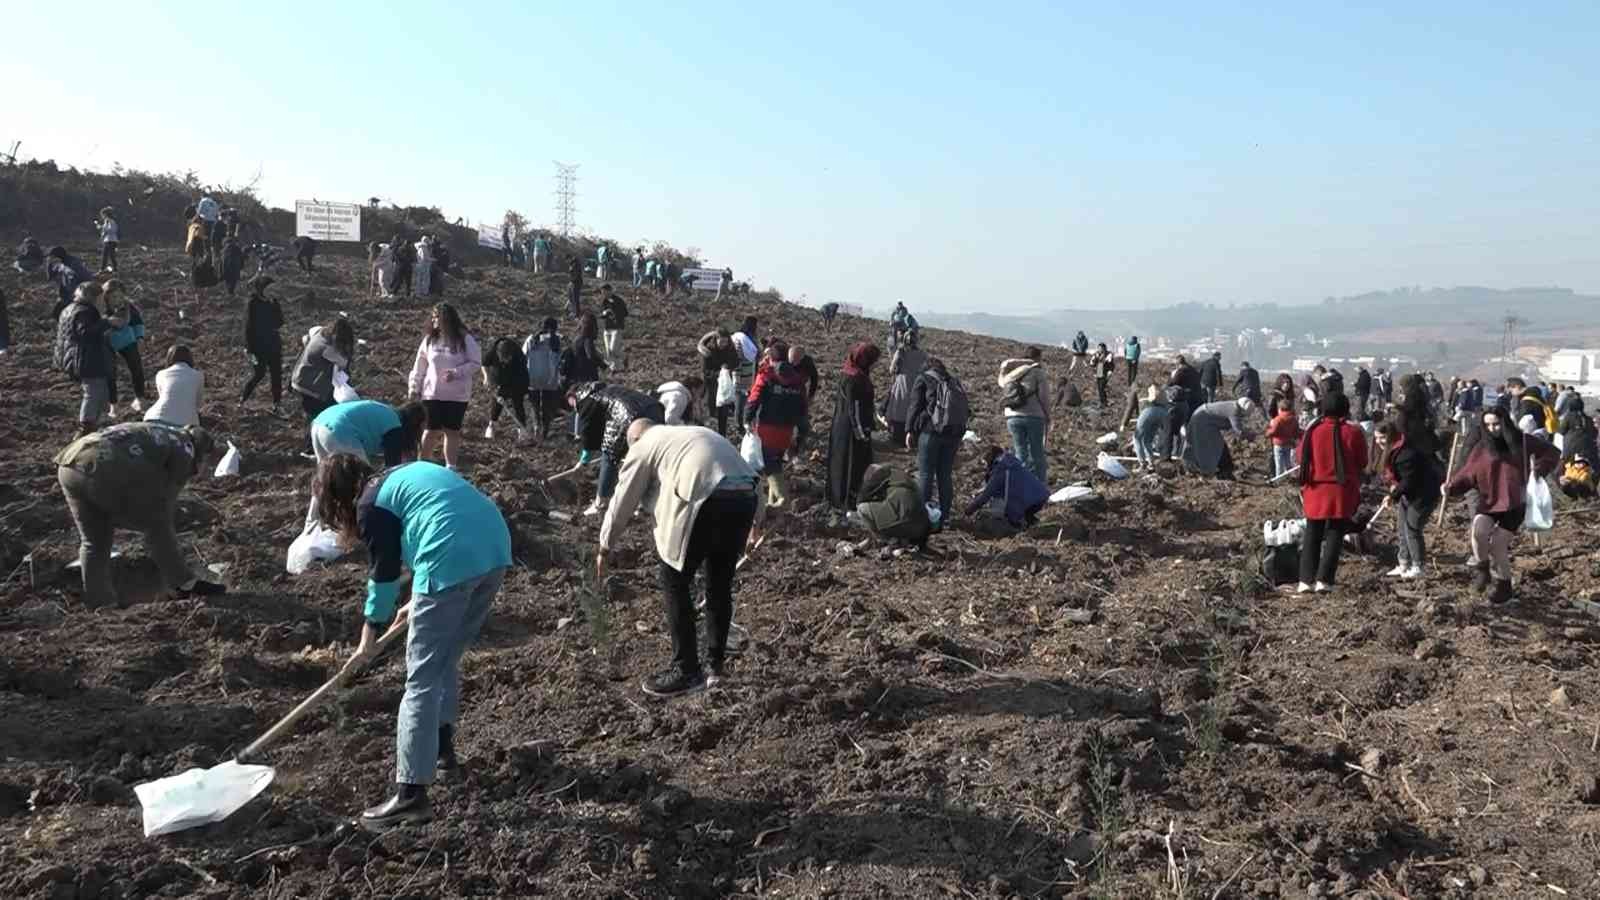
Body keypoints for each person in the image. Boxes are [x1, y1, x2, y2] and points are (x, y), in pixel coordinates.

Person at [313, 454, 510, 828]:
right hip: (493, 547)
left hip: (450, 555)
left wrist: (369, 634)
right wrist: (417, 599)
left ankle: (410, 795)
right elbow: (435, 518)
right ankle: (443, 756)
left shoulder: (370, 503)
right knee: (445, 660)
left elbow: (384, 574)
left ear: (339, 497)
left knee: (420, 681)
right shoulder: (401, 474)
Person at [598, 420, 762, 696]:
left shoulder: (643, 445)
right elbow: (742, 470)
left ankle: (686, 670)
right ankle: (715, 667)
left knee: (674, 580)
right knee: (719, 584)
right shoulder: (690, 434)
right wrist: (758, 521)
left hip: (705, 498)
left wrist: (604, 545)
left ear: (634, 439)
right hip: (745, 496)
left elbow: (623, 497)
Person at [56, 422, 226, 607]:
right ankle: (184, 584)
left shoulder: (161, 431)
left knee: (94, 541)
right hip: (104, 465)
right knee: (158, 524)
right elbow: (164, 503)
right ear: (202, 454)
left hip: (70, 464)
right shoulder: (185, 448)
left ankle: (100, 602)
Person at [1443, 408, 1560, 603]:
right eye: (1488, 425)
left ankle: (1504, 587)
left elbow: (1552, 452)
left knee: (1498, 545)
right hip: (1490, 499)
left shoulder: (1523, 442)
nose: (1492, 429)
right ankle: (1482, 570)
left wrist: (1538, 470)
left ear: (1505, 422)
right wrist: (1452, 486)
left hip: (1515, 502)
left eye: (1496, 424)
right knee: (1478, 532)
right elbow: (1468, 473)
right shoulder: (1482, 448)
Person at [304, 400, 427, 533]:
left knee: (324, 478)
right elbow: (391, 468)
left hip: (320, 424)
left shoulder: (386, 414)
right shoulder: (394, 426)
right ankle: (357, 526)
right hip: (339, 429)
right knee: (359, 483)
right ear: (415, 424)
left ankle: (310, 524)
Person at [1296, 392, 1368, 594]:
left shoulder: (1312, 431)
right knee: (1335, 534)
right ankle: (1324, 581)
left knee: (1312, 534)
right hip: (1341, 490)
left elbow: (1300, 457)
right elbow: (1362, 461)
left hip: (1314, 489)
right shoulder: (1353, 432)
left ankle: (1305, 581)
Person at [568, 383, 665, 516]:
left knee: (610, 455)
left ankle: (601, 504)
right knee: (650, 458)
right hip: (655, 409)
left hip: (628, 415)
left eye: (571, 404)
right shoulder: (609, 390)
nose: (574, 409)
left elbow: (589, 436)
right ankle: (647, 503)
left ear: (574, 396)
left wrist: (583, 462)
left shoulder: (586, 400)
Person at [408, 304, 482, 469]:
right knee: (431, 430)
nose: (434, 320)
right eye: (433, 317)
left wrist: (456, 372)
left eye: (437, 317)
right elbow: (420, 365)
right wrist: (414, 387)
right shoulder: (429, 340)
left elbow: (476, 362)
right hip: (432, 394)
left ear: (447, 319)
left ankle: (451, 468)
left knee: (452, 431)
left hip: (457, 396)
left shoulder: (464, 339)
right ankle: (421, 466)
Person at [1372, 421, 1442, 581]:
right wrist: (1393, 491)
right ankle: (1403, 563)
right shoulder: (1392, 450)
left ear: (1391, 436)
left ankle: (1418, 566)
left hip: (1424, 494)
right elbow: (1398, 478)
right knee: (1401, 527)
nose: (1378, 441)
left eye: (1382, 437)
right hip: (1408, 493)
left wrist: (1393, 496)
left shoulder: (1406, 454)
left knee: (1412, 528)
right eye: (1376, 438)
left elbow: (1409, 480)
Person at [746, 340, 809, 508]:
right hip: (787, 430)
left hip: (767, 427)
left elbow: (754, 398)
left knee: (770, 466)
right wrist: (801, 434)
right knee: (777, 462)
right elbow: (803, 408)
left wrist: (747, 418)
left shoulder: (766, 375)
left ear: (772, 358)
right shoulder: (798, 380)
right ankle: (771, 503)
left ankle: (782, 499)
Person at [905, 357, 967, 525]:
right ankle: (944, 516)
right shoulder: (953, 381)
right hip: (953, 434)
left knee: (926, 475)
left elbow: (914, 405)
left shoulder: (924, 378)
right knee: (944, 475)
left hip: (931, 432)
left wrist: (910, 430)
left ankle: (923, 516)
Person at [54, 282, 118, 434]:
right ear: (92, 298)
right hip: (86, 360)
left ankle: (92, 424)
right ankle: (86, 427)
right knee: (93, 392)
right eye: (100, 299)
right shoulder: (84, 312)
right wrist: (106, 322)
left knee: (97, 390)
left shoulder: (70, 308)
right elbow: (85, 333)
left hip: (76, 358)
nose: (103, 303)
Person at [290, 319, 357, 454]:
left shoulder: (321, 333)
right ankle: (310, 449)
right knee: (317, 416)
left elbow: (309, 334)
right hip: (309, 386)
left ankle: (316, 445)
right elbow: (343, 362)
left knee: (318, 413)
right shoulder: (326, 348)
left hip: (303, 380)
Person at [828, 343, 881, 510]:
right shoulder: (855, 379)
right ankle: (846, 500)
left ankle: (843, 497)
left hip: (845, 426)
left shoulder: (852, 373)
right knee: (851, 463)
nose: (876, 364)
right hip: (851, 430)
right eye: (874, 361)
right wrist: (861, 434)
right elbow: (855, 408)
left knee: (844, 462)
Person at [963, 445, 1049, 535]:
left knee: (992, 514)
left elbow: (985, 496)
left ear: (991, 458)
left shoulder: (1001, 469)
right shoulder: (1011, 463)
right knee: (1023, 509)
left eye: (985, 461)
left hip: (1027, 502)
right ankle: (1031, 523)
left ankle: (1016, 527)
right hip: (1040, 497)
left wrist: (968, 511)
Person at [999, 348, 1050, 482]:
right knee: (1037, 452)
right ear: (1038, 358)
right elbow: (1044, 397)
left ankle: (1020, 483)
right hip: (1033, 416)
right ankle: (1040, 484)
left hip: (1012, 416)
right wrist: (1048, 415)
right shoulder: (1038, 372)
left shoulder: (1012, 373)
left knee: (1020, 451)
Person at [856, 464, 932, 549]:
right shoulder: (902, 477)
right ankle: (903, 540)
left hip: (902, 522)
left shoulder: (882, 472)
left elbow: (861, 498)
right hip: (921, 528)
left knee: (861, 508)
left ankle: (886, 540)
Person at [101, 279, 147, 414]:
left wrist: (140, 338)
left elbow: (137, 322)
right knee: (110, 373)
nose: (117, 300)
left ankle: (140, 398)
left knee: (136, 367)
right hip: (108, 343)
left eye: (120, 296)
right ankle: (113, 404)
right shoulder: (101, 309)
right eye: (114, 297)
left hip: (127, 340)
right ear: (106, 297)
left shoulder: (128, 307)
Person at [1183, 397, 1256, 479]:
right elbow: (1238, 430)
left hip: (1203, 418)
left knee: (1217, 446)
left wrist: (1247, 432)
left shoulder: (1234, 405)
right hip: (1203, 423)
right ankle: (1220, 470)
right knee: (1215, 446)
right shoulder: (1234, 410)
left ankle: (1223, 469)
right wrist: (1250, 436)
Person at [241, 277, 285, 411]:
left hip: (273, 344)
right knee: (259, 373)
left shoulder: (274, 302)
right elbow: (248, 327)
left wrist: (275, 306)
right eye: (269, 289)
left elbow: (280, 322)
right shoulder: (253, 303)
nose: (272, 291)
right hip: (258, 346)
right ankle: (243, 399)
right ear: (262, 289)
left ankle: (277, 403)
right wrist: (249, 348)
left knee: (276, 374)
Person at [480, 337, 531, 443]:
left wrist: (522, 390)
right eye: (503, 359)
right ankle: (491, 426)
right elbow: (484, 364)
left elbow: (524, 376)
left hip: (516, 381)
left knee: (518, 404)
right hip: (499, 380)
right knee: (497, 404)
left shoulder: (519, 356)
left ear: (511, 355)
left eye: (507, 359)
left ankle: (522, 430)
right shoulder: (492, 351)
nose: (505, 361)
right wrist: (487, 378)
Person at [523, 317, 563, 441]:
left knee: (534, 404)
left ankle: (536, 426)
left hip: (533, 376)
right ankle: (545, 429)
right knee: (547, 405)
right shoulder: (556, 340)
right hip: (550, 378)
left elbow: (523, 355)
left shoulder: (531, 339)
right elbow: (560, 359)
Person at [143, 345, 204, 428]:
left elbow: (164, 396)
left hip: (154, 417)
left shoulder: (161, 374)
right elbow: (198, 404)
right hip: (184, 423)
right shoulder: (198, 375)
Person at [884, 334, 928, 448]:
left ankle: (897, 436)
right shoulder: (923, 354)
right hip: (917, 385)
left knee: (898, 408)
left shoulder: (901, 352)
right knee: (913, 408)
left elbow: (891, 369)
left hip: (902, 383)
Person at [697, 329, 741, 437]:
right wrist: (719, 373)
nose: (723, 345)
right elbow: (705, 371)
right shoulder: (708, 351)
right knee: (710, 410)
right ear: (716, 340)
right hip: (711, 385)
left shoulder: (730, 348)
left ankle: (722, 435)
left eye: (725, 342)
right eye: (721, 342)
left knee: (723, 409)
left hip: (724, 385)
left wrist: (727, 367)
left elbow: (736, 361)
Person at [1165, 356, 1203, 461]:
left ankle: (1181, 451)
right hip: (1198, 399)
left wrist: (1169, 380)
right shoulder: (1193, 370)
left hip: (1187, 400)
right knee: (1190, 425)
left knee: (1180, 426)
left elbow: (1172, 383)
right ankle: (1190, 449)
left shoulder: (1181, 371)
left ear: (1178, 363)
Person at [730, 318, 760, 435]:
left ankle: (742, 422)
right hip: (743, 372)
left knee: (743, 398)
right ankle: (739, 424)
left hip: (746, 372)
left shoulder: (741, 337)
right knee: (741, 399)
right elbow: (738, 357)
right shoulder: (742, 339)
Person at [46, 246, 95, 319]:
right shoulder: (61, 264)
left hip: (75, 296)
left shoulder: (74, 264)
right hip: (66, 295)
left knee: (69, 315)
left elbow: (87, 278)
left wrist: (81, 295)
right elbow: (50, 277)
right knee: (56, 314)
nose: (52, 259)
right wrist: (49, 264)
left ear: (58, 256)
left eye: (53, 257)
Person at [1133, 386, 1171, 469]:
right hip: (1163, 412)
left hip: (1149, 412)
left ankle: (1142, 464)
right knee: (1148, 440)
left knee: (1137, 439)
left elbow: (1132, 406)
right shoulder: (1161, 393)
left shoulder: (1141, 390)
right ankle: (1151, 464)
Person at [1267, 398, 1300, 479]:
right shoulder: (1294, 419)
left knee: (1279, 463)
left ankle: (1279, 479)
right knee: (1288, 461)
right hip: (1288, 443)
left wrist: (1267, 432)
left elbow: (1273, 431)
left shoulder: (1278, 419)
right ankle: (1289, 476)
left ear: (1280, 409)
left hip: (1279, 444)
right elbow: (1296, 431)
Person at [599, 285, 628, 372]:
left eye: (605, 292)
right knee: (608, 352)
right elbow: (601, 313)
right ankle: (615, 368)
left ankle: (624, 357)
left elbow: (625, 313)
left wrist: (614, 309)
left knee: (613, 349)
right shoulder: (604, 301)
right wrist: (604, 313)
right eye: (602, 292)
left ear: (610, 291)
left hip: (616, 328)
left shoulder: (618, 300)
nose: (604, 294)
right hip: (607, 328)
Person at [1090, 343, 1115, 407]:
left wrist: (1110, 371)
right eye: (1099, 348)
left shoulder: (1108, 355)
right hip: (1098, 372)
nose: (1099, 349)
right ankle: (1103, 402)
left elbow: (1111, 364)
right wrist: (1094, 364)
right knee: (1100, 388)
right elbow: (1092, 363)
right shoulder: (1096, 354)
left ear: (1104, 348)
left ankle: (1104, 402)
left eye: (1101, 348)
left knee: (1102, 387)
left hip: (1105, 373)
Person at [96, 207, 120, 273]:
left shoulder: (111, 221)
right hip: (107, 241)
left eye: (103, 214)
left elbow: (113, 230)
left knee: (110, 255)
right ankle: (103, 269)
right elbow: (105, 231)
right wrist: (102, 230)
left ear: (106, 214)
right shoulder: (106, 222)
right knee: (105, 255)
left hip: (111, 241)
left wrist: (102, 228)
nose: (102, 216)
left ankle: (114, 269)